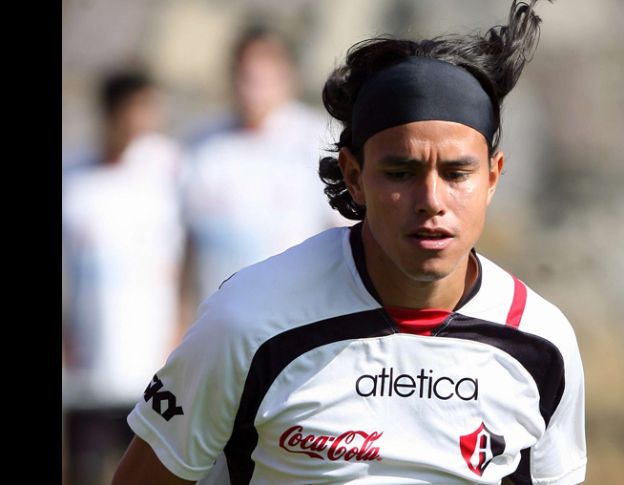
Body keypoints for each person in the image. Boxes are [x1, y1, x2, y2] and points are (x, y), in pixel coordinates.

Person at [112, 1, 587, 483]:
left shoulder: (542, 342)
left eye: (456, 173)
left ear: (492, 177)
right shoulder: (247, 321)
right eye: (400, 172)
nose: (431, 200)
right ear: (354, 177)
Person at [62, 70, 185, 485]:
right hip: (87, 368)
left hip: (153, 368)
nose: (149, 121)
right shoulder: (74, 175)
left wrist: (183, 327)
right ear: (114, 113)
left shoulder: (172, 170)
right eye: (140, 110)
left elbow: (188, 257)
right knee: (86, 470)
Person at [180, 25, 347, 302]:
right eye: (245, 76)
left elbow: (342, 235)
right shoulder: (202, 146)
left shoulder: (318, 140)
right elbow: (186, 243)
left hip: (292, 313)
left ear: (286, 76)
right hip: (216, 313)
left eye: (262, 77)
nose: (251, 90)